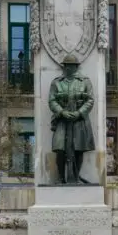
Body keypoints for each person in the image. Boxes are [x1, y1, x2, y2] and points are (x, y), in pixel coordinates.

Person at [48, 55, 96, 184]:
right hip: (62, 120)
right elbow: (52, 101)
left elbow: (90, 100)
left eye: (71, 65)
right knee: (59, 147)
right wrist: (62, 112)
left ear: (76, 67)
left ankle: (75, 176)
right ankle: (61, 177)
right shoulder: (57, 82)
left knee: (79, 148)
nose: (68, 68)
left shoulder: (85, 81)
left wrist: (79, 113)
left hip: (79, 120)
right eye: (66, 65)